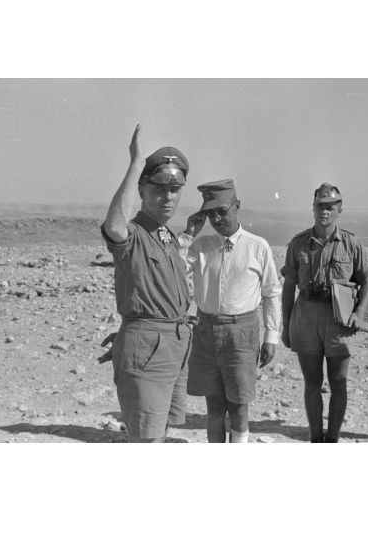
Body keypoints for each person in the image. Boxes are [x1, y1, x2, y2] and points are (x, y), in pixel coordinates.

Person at [101, 124, 193, 443]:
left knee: (160, 432)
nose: (168, 197)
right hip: (149, 348)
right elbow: (114, 226)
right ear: (142, 191)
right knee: (146, 439)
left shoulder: (165, 236)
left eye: (175, 189)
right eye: (158, 189)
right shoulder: (135, 233)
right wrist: (136, 163)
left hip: (173, 344)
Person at [178, 179, 281, 443]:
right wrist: (188, 234)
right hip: (206, 332)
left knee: (238, 408)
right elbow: (172, 270)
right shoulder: (200, 247)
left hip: (242, 334)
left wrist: (271, 337)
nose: (216, 219)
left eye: (222, 211)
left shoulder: (257, 246)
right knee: (214, 409)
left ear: (237, 206)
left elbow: (271, 292)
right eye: (210, 213)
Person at [281, 183, 368, 442]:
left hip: (338, 318)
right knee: (312, 382)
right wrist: (286, 326)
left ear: (339, 210)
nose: (324, 211)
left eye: (330, 206)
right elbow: (289, 286)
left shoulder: (351, 243)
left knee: (338, 381)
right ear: (313, 208)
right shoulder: (298, 243)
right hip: (306, 316)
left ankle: (332, 438)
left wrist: (360, 311)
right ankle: (315, 436)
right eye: (320, 206)